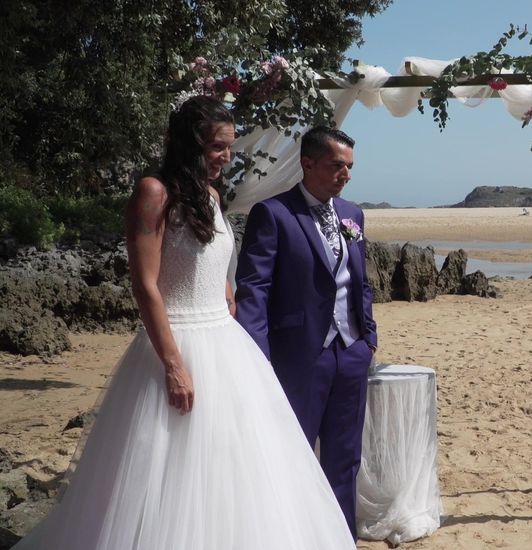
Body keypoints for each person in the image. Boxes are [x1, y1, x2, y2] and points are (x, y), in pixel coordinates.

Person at [12, 96, 355, 549]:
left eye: (229, 147)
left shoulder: (211, 196)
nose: (225, 157)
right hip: (177, 344)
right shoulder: (153, 192)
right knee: (171, 470)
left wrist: (226, 291)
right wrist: (172, 363)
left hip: (226, 345)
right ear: (188, 143)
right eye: (216, 147)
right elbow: (146, 285)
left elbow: (210, 263)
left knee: (234, 464)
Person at [235, 126, 377, 538]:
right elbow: (254, 290)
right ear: (308, 163)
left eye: (349, 167)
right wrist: (256, 357)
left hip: (350, 354)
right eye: (337, 165)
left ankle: (339, 538)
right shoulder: (273, 214)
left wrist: (368, 340)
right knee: (290, 455)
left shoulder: (353, 214)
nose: (345, 175)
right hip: (298, 356)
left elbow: (360, 281)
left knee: (345, 458)